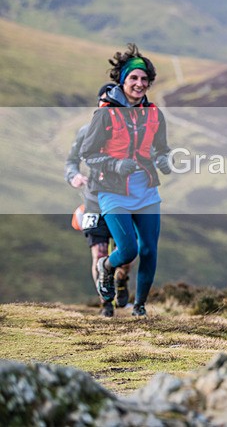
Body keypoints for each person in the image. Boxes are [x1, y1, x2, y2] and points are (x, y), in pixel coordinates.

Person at [80, 43, 172, 317]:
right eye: (133, 78)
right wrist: (116, 164)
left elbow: (161, 149)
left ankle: (140, 306)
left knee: (149, 250)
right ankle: (107, 267)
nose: (140, 83)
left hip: (146, 190)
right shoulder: (105, 114)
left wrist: (165, 160)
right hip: (112, 190)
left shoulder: (155, 114)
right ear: (122, 80)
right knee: (129, 249)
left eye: (144, 79)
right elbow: (88, 153)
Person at [65, 83, 132, 317]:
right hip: (93, 199)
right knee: (98, 254)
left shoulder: (128, 131)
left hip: (123, 199)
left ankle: (122, 282)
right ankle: (105, 303)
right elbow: (71, 160)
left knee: (126, 255)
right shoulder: (86, 131)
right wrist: (74, 176)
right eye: (105, 102)